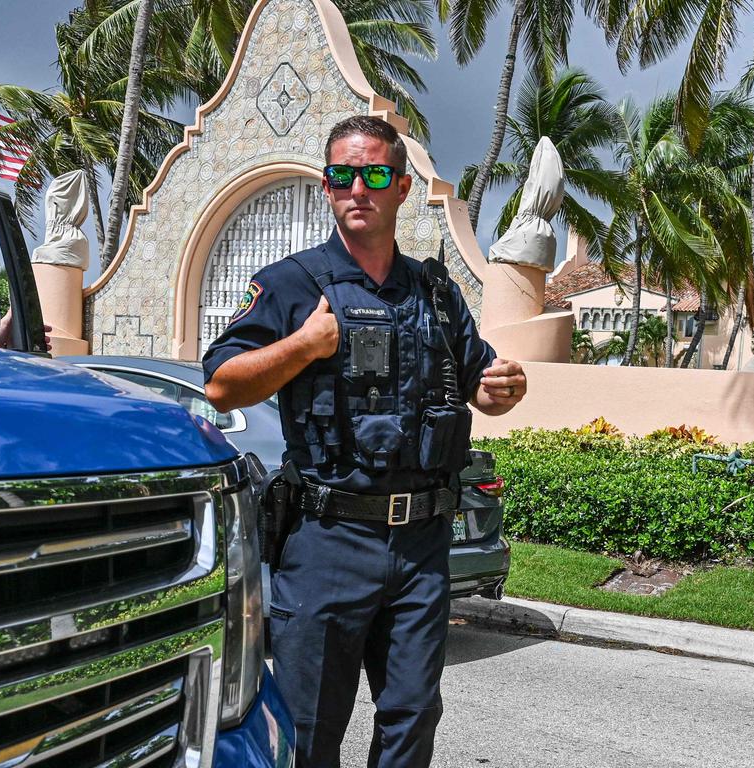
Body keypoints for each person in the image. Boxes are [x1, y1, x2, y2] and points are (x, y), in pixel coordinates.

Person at [203, 115, 526, 768]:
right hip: (328, 541)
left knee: (412, 716)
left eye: (375, 174)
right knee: (310, 726)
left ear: (401, 187)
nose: (359, 188)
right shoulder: (292, 283)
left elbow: (480, 379)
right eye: (343, 175)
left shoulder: (436, 294)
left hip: (421, 545)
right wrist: (301, 345)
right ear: (326, 187)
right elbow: (220, 385)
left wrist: (500, 386)